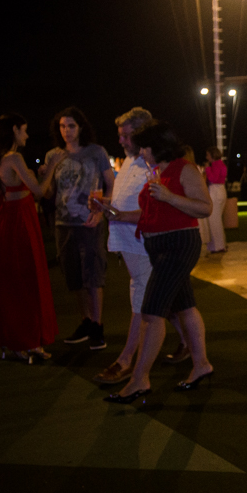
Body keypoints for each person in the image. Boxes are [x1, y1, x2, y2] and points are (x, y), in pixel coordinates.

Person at [103, 120, 213, 403]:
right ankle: (201, 364)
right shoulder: (156, 172)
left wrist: (170, 196)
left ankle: (139, 379)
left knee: (151, 313)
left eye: (145, 148)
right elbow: (150, 214)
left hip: (178, 245)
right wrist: (117, 214)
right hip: (159, 247)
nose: (141, 153)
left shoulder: (184, 169)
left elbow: (205, 207)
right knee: (185, 306)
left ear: (158, 146)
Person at [0, 114, 65, 362]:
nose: (27, 136)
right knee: (27, 280)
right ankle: (26, 342)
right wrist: (53, 166)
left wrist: (43, 173)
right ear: (14, 130)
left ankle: (21, 341)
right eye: (24, 130)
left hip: (10, 220)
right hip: (20, 221)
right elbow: (39, 191)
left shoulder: (0, 158)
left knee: (15, 282)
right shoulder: (14, 157)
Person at [90, 107, 154, 385]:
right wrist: (104, 204)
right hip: (127, 244)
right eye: (120, 135)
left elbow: (156, 211)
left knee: (142, 302)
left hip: (143, 245)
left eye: (126, 135)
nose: (121, 141)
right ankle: (196, 355)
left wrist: (118, 215)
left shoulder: (152, 164)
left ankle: (127, 360)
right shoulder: (128, 161)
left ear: (141, 134)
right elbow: (123, 201)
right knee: (170, 300)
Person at [45, 106, 114, 350]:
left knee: (93, 274)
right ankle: (85, 321)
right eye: (62, 126)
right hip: (63, 223)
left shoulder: (96, 152)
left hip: (89, 221)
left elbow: (110, 183)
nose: (67, 131)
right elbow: (49, 192)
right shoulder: (53, 155)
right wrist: (46, 171)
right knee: (73, 275)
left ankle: (97, 325)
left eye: (71, 126)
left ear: (81, 127)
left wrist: (102, 210)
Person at [202, 146, 228, 254]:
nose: (207, 157)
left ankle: (217, 246)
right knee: (217, 220)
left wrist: (207, 169)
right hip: (221, 190)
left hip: (215, 191)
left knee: (214, 220)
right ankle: (220, 244)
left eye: (208, 155)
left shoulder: (216, 165)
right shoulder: (221, 164)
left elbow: (213, 178)